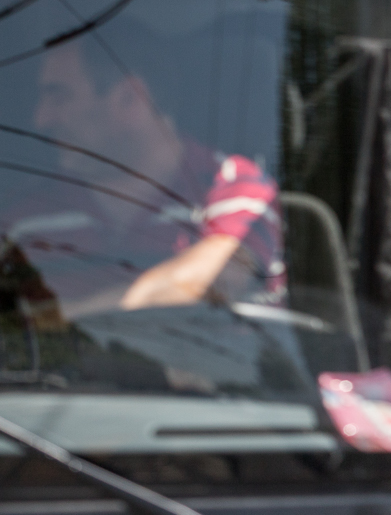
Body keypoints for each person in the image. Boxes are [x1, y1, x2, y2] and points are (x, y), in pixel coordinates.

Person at [22, 39, 283, 317]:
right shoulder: (28, 214)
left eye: (58, 96)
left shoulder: (233, 186)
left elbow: (215, 279)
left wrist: (65, 320)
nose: (41, 119)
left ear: (129, 97)